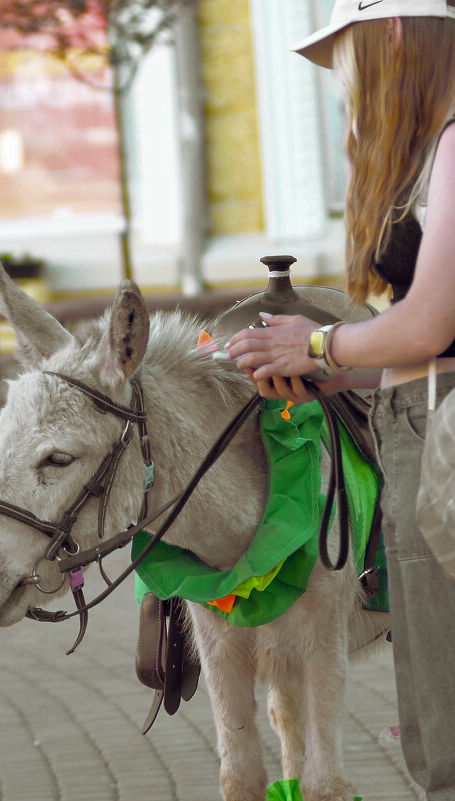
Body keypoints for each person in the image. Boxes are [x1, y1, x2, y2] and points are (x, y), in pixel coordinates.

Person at [226, 1, 455, 797]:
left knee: (446, 694)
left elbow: (429, 323)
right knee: (434, 681)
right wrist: (339, 373)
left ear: (390, 34)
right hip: (421, 423)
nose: (341, 84)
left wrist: (316, 345)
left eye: (343, 56)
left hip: (442, 436)